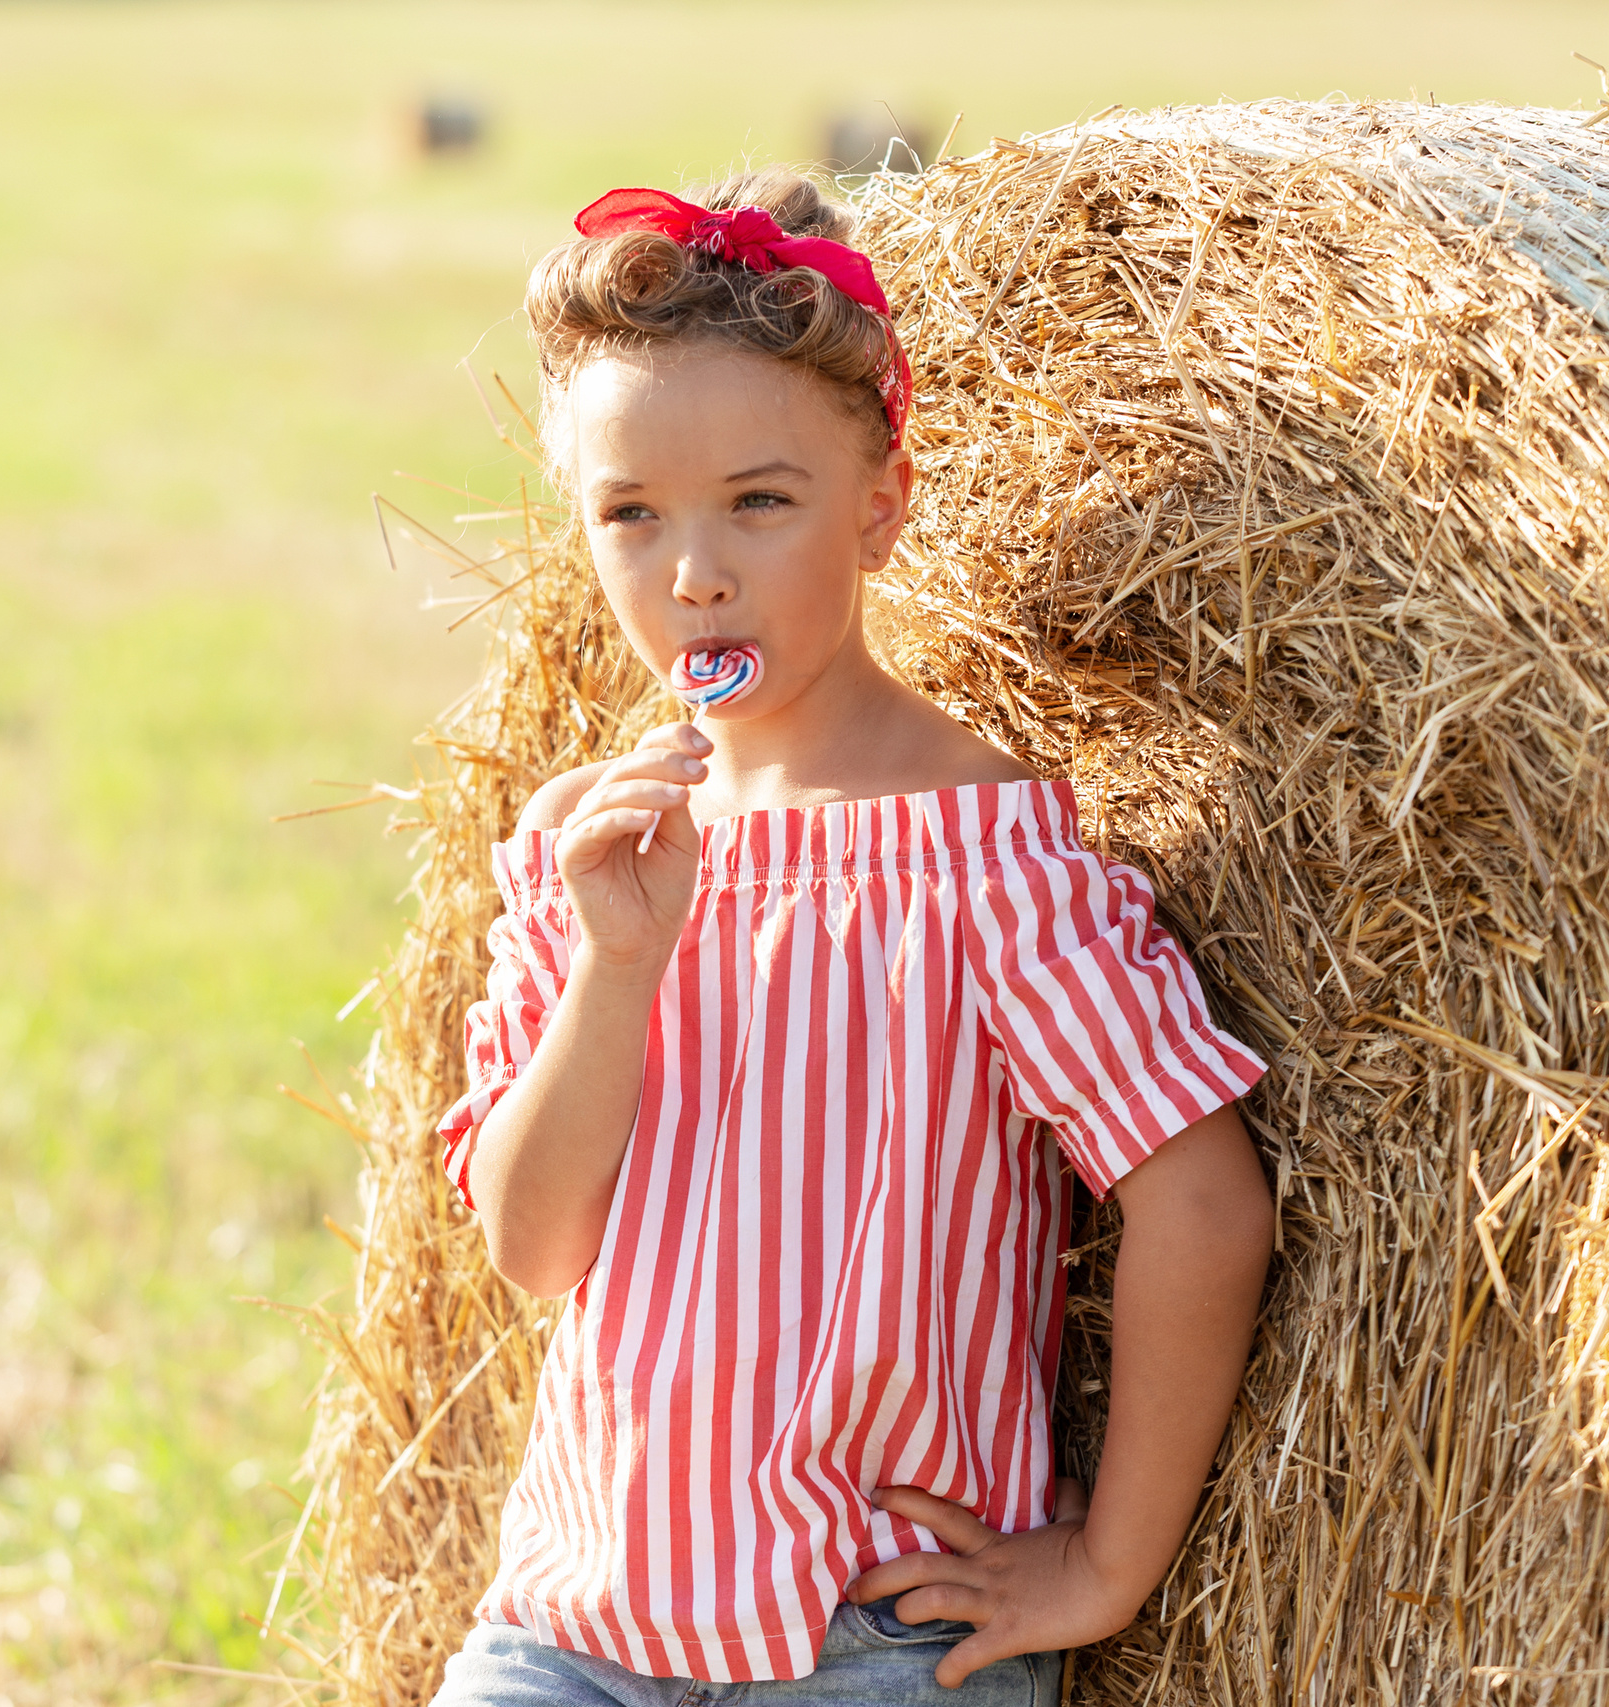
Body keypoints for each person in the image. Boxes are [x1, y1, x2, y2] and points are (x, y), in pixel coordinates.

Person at [428, 169, 1275, 1706]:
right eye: (633, 514)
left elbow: (1204, 1210)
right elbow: (533, 1244)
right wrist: (616, 962)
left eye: (762, 500)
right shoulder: (588, 846)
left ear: (880, 505)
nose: (694, 573)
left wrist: (1104, 1566)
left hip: (869, 1648)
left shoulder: (987, 858)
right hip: (571, 1630)